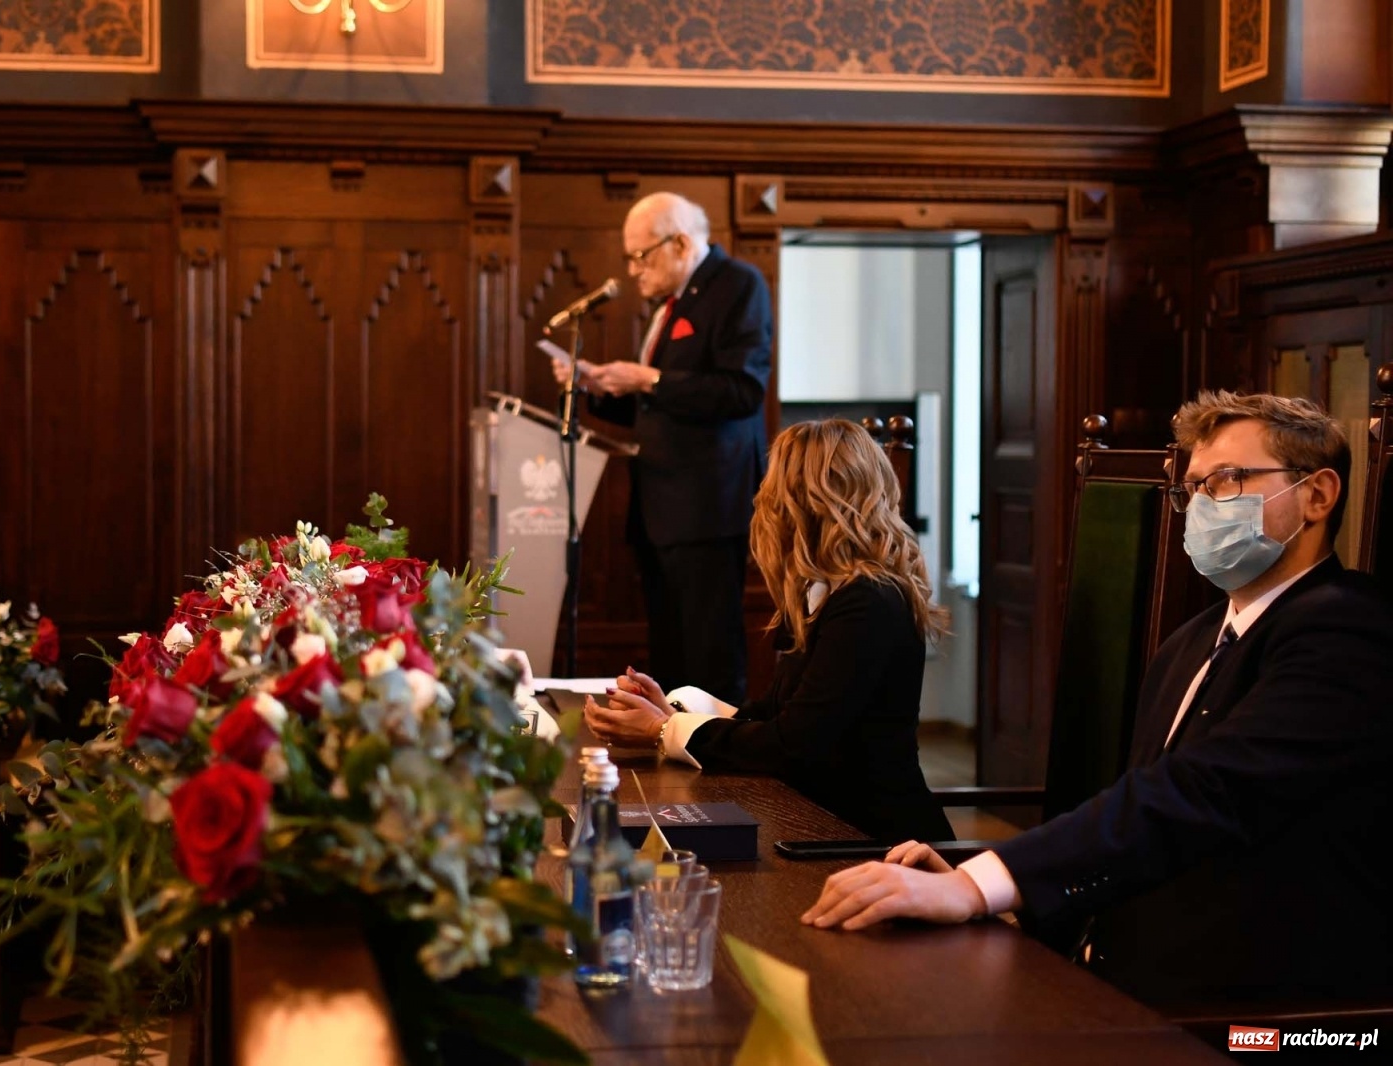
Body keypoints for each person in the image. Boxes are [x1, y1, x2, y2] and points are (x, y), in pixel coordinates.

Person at [800, 392, 1393, 1007]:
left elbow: (1203, 793)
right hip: (1109, 961)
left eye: (1226, 480)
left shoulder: (1346, 630)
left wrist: (983, 885)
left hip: (1259, 1014)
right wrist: (1009, 909)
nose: (1199, 507)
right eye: (1191, 488)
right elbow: (1133, 829)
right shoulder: (1190, 643)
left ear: (1318, 495)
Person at [582, 419, 955, 844]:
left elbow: (792, 745)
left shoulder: (868, 601)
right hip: (821, 823)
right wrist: (671, 714)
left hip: (875, 842)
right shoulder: (830, 593)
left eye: (772, 486)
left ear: (802, 502)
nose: (762, 500)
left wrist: (662, 732)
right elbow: (774, 715)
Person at [553, 191, 772, 705]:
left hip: (707, 509)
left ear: (679, 243)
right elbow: (657, 409)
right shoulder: (671, 304)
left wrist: (648, 378)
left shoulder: (737, 285)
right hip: (660, 509)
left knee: (708, 655)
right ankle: (670, 754)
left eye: (640, 255)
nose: (632, 270)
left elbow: (741, 391)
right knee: (670, 654)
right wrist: (599, 387)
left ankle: (718, 773)